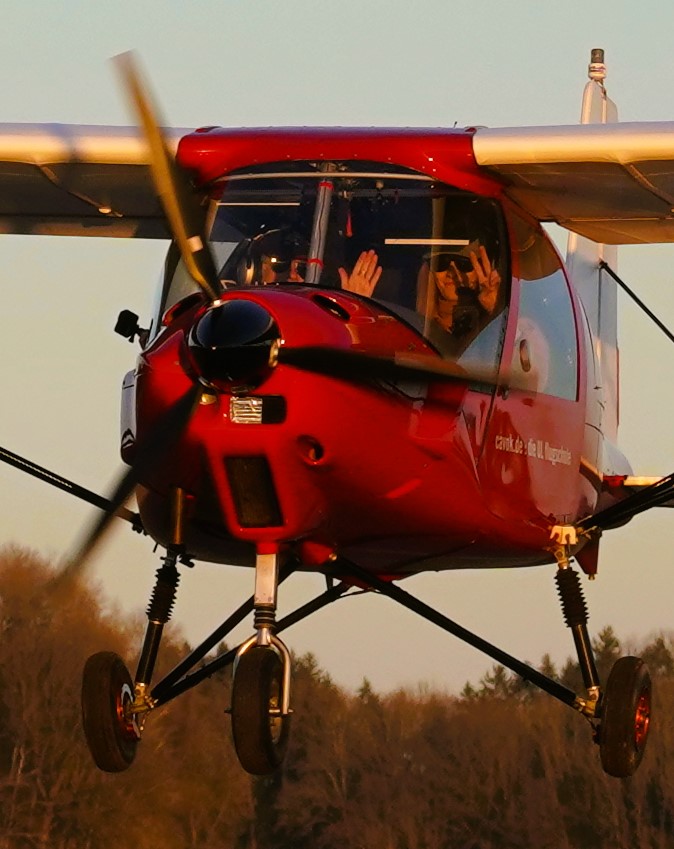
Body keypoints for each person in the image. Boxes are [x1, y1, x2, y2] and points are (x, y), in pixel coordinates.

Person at [418, 243, 502, 358]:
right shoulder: (413, 325)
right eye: (441, 263)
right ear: (431, 272)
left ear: (481, 270)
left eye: (464, 264)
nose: (451, 272)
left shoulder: (499, 325)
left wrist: (496, 310)